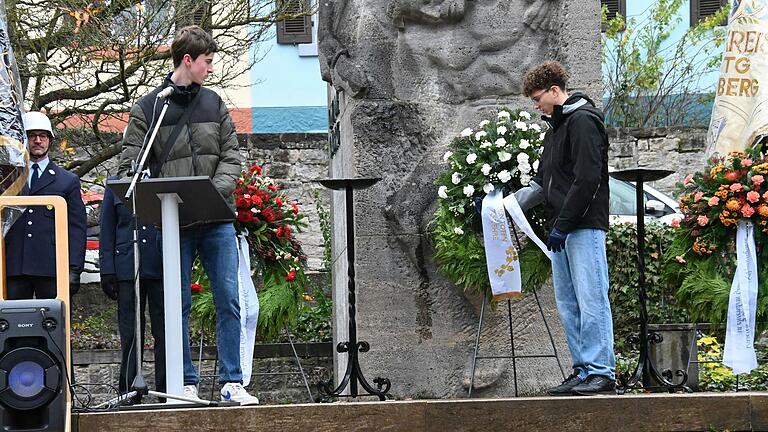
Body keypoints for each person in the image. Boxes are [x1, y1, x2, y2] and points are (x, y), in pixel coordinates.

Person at [117, 25, 258, 405]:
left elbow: (232, 156)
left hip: (216, 218)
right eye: (207, 62)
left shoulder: (214, 104)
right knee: (174, 304)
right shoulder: (149, 107)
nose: (211, 69)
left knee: (229, 299)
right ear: (187, 61)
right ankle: (185, 383)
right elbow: (131, 161)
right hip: (172, 221)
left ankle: (232, 382)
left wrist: (215, 191)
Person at [517, 60, 615, 396]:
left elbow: (588, 180)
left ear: (555, 91)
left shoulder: (583, 122)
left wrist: (565, 224)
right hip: (561, 229)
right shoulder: (556, 128)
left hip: (583, 226)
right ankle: (583, 369)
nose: (536, 105)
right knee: (569, 303)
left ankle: (602, 371)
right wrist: (503, 204)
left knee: (591, 299)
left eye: (537, 98)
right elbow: (545, 182)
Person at [5, 111, 86, 299]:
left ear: (50, 140)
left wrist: (74, 268)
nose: (38, 141)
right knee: (14, 325)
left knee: (53, 324)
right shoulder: (9, 179)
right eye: (32, 136)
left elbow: (76, 228)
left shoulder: (67, 181)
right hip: (15, 265)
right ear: (24, 140)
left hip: (51, 267)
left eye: (43, 136)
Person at [99, 176, 165, 401]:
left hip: (160, 263)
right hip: (127, 266)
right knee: (130, 332)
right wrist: (107, 269)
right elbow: (107, 229)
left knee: (164, 331)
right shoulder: (116, 184)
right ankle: (128, 390)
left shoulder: (162, 176)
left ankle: (166, 388)